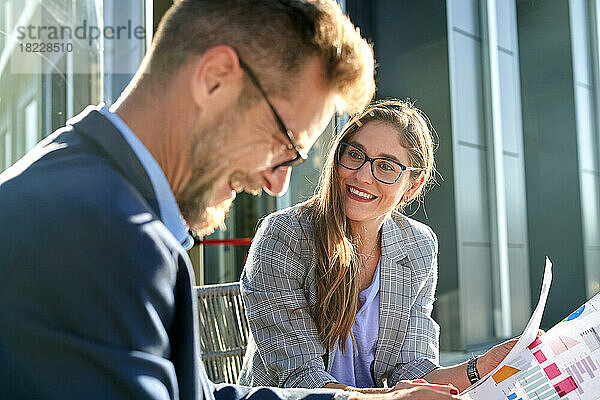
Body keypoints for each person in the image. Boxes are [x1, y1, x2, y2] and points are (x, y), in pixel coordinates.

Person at [0, 0, 465, 399]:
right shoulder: (100, 237)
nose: (276, 184)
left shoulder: (89, 194)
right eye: (284, 143)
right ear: (216, 79)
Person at [239, 100, 517, 394]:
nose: (361, 175)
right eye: (355, 155)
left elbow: (412, 368)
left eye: (385, 166)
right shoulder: (285, 235)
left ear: (412, 186)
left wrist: (482, 367)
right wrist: (394, 397)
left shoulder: (418, 246)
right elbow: (301, 380)